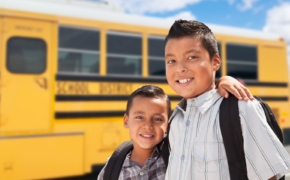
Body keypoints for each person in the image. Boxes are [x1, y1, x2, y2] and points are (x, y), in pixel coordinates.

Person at [164, 20, 290, 180]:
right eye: (171, 61)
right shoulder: (176, 120)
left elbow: (268, 176)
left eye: (192, 57)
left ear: (215, 62)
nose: (179, 68)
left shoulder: (241, 109)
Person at [98, 78, 253, 180]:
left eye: (158, 119)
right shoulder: (112, 168)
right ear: (126, 121)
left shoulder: (177, 156)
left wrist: (223, 81)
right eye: (139, 117)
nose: (148, 125)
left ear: (168, 125)